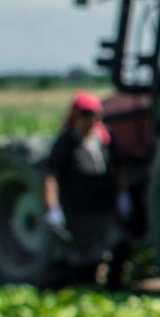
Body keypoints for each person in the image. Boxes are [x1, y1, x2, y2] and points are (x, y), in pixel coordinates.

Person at [43, 91, 130, 257]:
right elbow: (51, 175)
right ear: (76, 116)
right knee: (84, 251)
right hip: (79, 209)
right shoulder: (66, 142)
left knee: (114, 243)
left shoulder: (106, 139)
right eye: (87, 115)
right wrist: (53, 207)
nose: (92, 120)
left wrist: (123, 195)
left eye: (96, 115)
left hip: (104, 205)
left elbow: (120, 167)